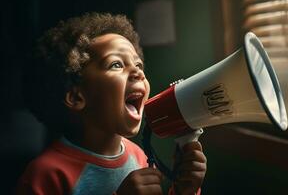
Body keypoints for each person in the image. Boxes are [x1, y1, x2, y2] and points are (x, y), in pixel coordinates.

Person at [16, 12, 207, 195]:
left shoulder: (138, 156)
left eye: (138, 64)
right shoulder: (44, 174)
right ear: (76, 97)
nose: (138, 72)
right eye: (116, 64)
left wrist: (184, 190)